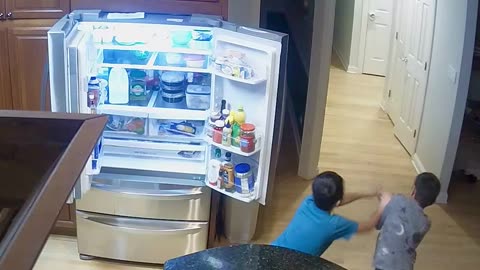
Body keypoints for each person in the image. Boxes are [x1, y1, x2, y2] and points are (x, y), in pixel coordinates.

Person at [271, 171, 388, 256]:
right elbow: (369, 226)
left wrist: (366, 194)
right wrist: (383, 206)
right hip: (293, 265)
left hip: (271, 252)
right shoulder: (334, 224)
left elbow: (339, 200)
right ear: (337, 202)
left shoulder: (308, 201)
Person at [373, 172, 441, 270]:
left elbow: (377, 224)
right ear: (432, 202)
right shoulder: (426, 223)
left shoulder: (397, 200)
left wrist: (384, 205)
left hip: (383, 262)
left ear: (414, 190)